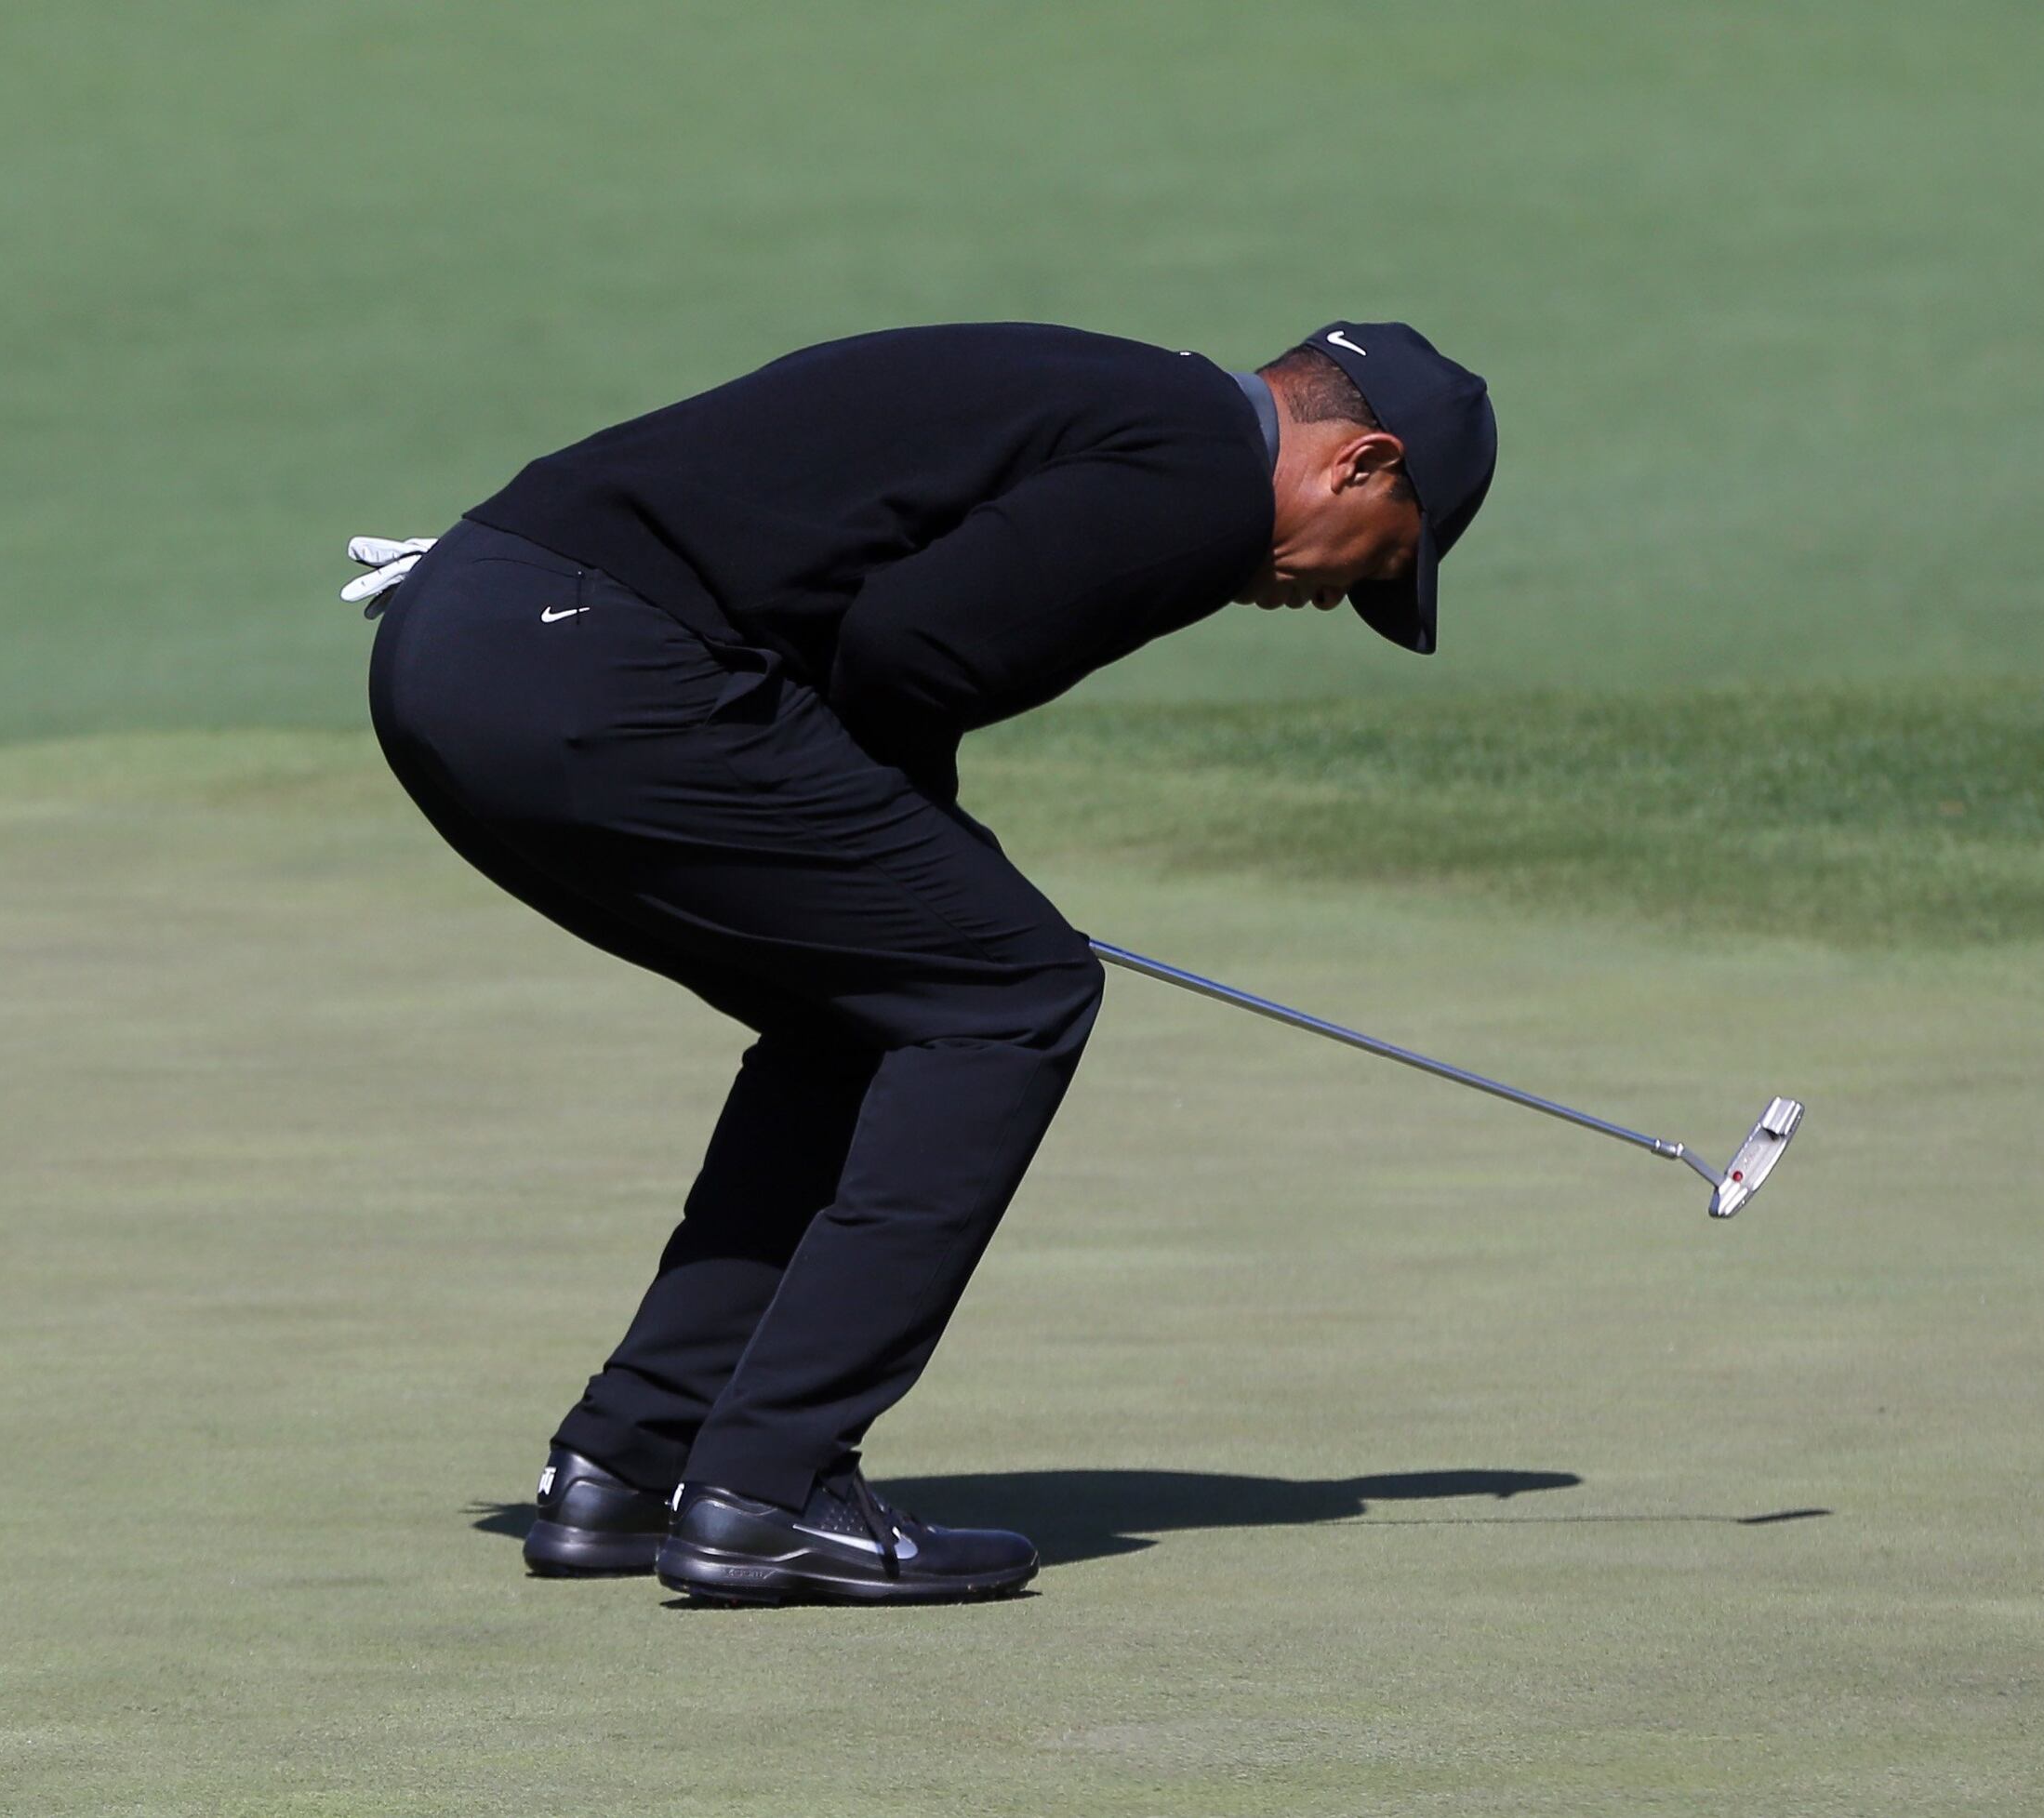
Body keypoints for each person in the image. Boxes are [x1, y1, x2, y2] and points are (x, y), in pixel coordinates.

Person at [347, 321, 1496, 1606]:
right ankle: (772, 1487)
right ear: (1362, 461)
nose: (1334, 599)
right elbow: (912, 652)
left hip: (467, 647)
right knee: (1013, 995)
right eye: (1383, 563)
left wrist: (916, 870)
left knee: (867, 1011)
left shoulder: (1127, 395)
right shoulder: (1207, 479)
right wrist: (934, 868)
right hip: (598, 668)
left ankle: (633, 1462)